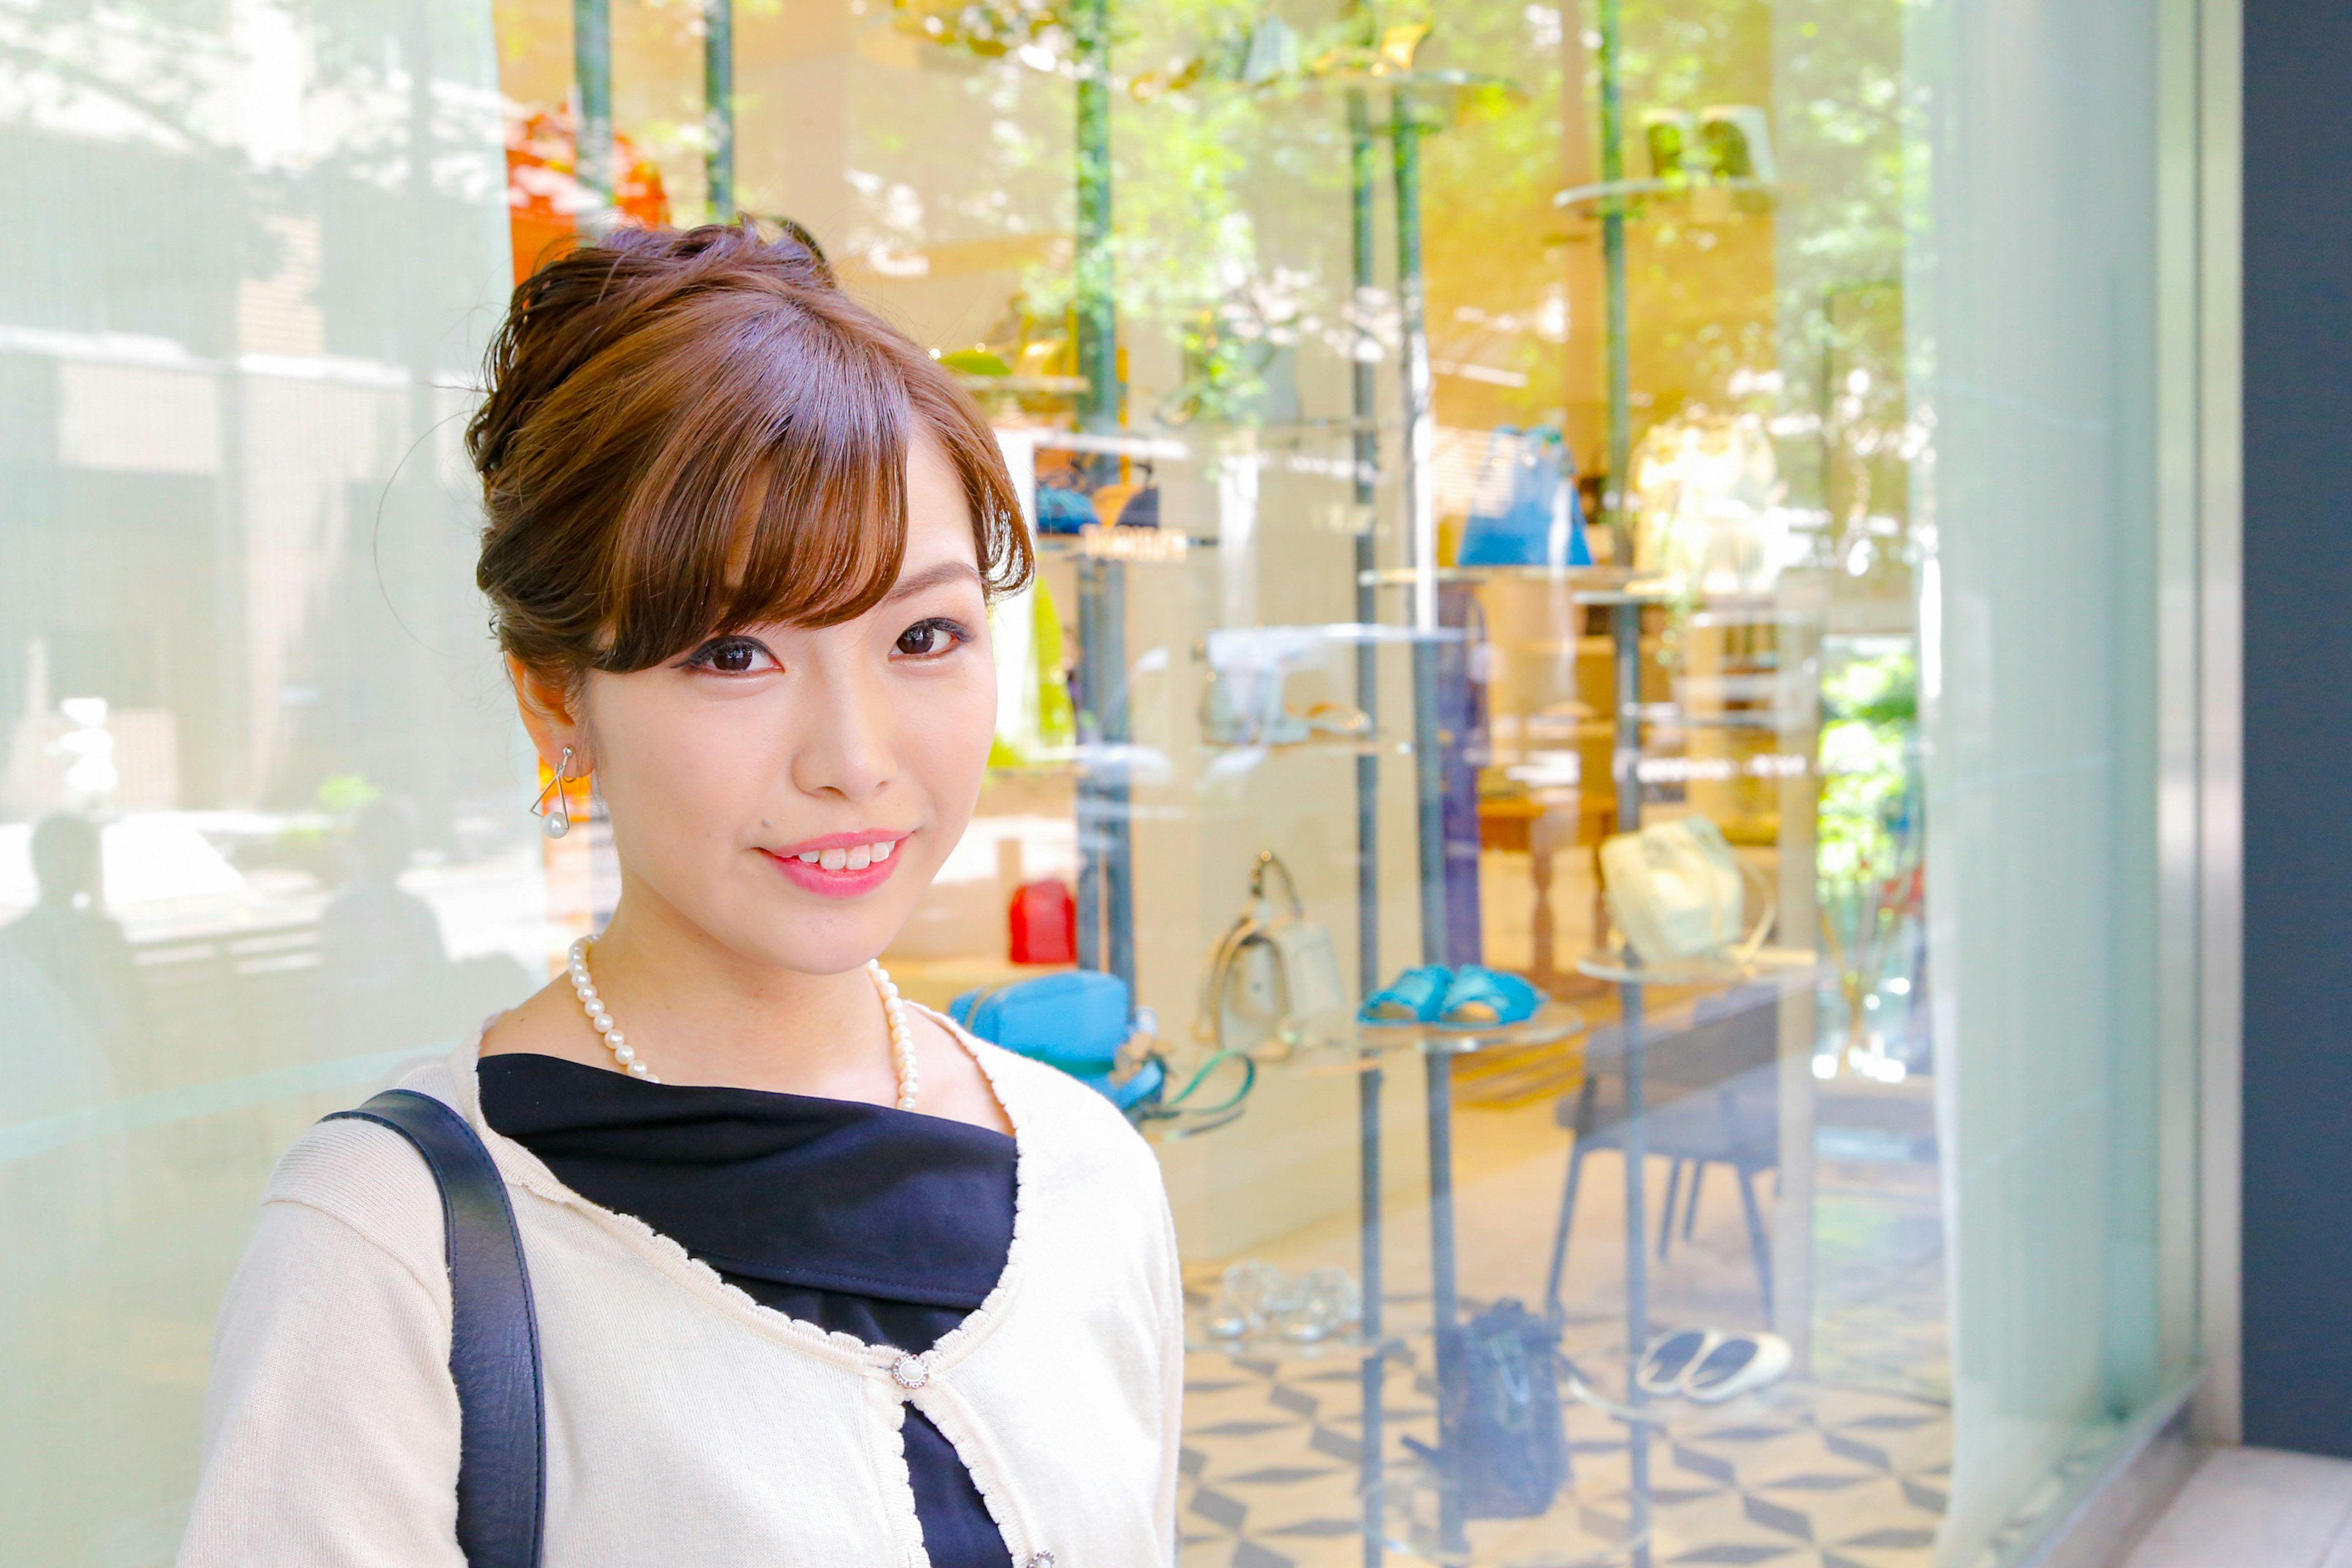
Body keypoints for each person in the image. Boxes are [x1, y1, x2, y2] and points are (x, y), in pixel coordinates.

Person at [178, 224, 1182, 1567]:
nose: (857, 760)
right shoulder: (398, 1238)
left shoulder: (1087, 1174)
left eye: (923, 636)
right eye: (732, 651)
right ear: (557, 701)